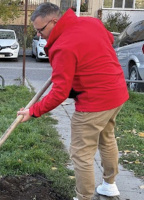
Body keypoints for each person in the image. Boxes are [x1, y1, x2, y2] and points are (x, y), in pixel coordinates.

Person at [17, 3, 129, 200]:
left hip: (94, 103)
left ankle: (83, 197)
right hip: (117, 93)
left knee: (81, 153)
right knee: (107, 138)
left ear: (54, 21)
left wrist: (33, 111)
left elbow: (59, 94)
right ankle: (109, 185)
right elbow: (108, 40)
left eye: (40, 30)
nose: (38, 35)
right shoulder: (92, 22)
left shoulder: (62, 47)